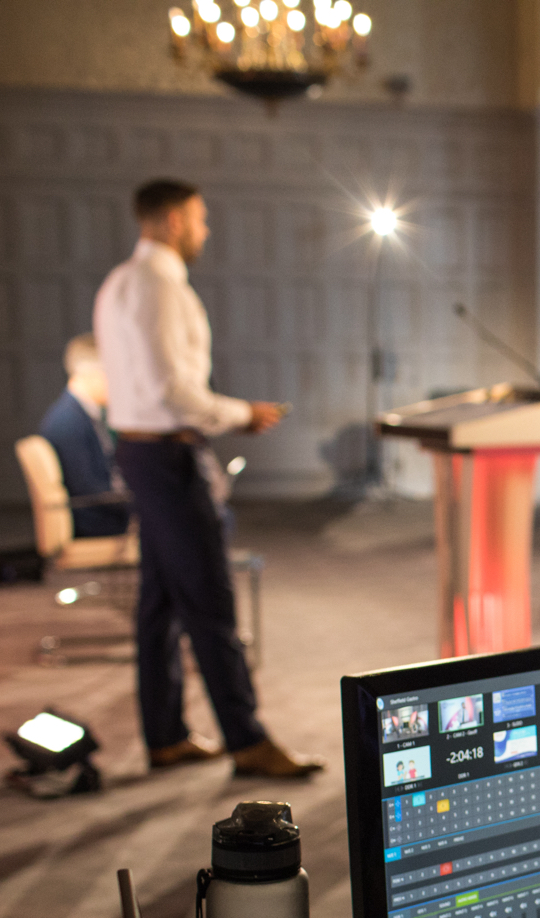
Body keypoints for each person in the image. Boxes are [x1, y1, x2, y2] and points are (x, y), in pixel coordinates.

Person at [94, 178, 320, 777]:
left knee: (160, 603)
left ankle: (165, 736)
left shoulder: (117, 282)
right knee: (211, 603)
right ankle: (247, 740)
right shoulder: (161, 286)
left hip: (140, 454)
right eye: (199, 220)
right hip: (171, 459)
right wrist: (243, 414)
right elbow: (176, 392)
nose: (205, 231)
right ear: (172, 221)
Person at [36, 334, 131, 538]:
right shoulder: (68, 423)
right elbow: (88, 488)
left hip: (104, 511)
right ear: (92, 374)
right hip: (96, 521)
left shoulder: (81, 414)